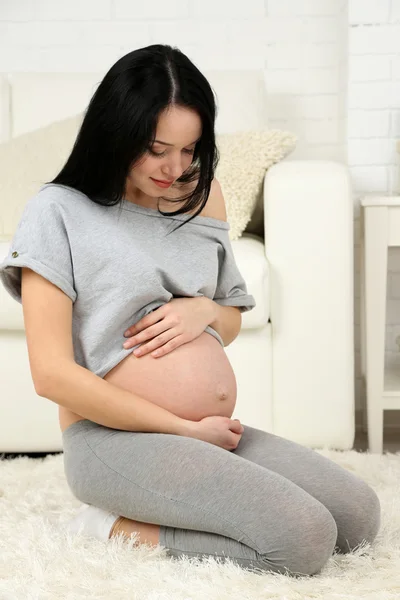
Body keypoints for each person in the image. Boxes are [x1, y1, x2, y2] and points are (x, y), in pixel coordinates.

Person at [0, 44, 380, 578]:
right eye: (157, 149)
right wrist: (180, 429)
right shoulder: (56, 211)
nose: (175, 167)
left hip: (208, 429)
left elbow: (228, 317)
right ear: (116, 132)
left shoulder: (201, 195)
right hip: (114, 441)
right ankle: (108, 526)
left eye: (190, 148)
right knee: (303, 538)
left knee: (358, 516)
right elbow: (52, 375)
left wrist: (202, 309)